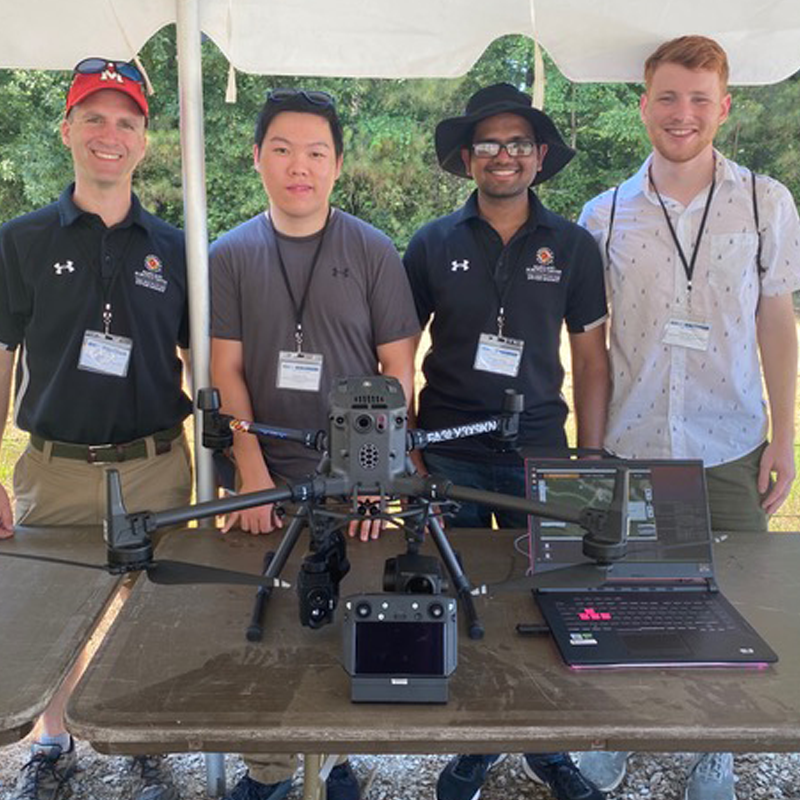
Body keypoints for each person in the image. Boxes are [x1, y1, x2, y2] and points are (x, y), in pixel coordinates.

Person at [578, 35, 800, 800]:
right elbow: (593, 347)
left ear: (725, 107)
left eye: (700, 99)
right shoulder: (603, 214)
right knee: (632, 596)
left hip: (731, 441)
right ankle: (629, 733)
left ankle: (718, 747)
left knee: (733, 598)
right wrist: (591, 451)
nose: (683, 114)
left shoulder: (766, 202)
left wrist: (786, 437)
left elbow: (778, 320)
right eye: (668, 97)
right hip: (634, 443)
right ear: (643, 105)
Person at [209, 88, 419, 800]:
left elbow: (398, 370)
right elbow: (225, 370)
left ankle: (331, 766)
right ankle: (268, 771)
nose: (299, 166)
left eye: (316, 152)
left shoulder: (371, 249)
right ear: (258, 158)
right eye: (283, 149)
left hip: (354, 479)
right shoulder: (229, 253)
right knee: (261, 625)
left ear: (336, 165)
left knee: (338, 621)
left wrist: (375, 476)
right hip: (267, 475)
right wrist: (249, 470)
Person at [404, 83, 610, 800]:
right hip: (449, 447)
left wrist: (588, 456)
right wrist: (409, 445)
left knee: (548, 599)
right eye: (488, 143)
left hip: (541, 451)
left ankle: (547, 746)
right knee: (465, 602)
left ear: (539, 156)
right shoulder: (430, 243)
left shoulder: (573, 246)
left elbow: (590, 357)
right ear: (468, 157)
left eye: (517, 143)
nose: (503, 155)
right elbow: (397, 353)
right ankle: (474, 744)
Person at [0, 59, 192, 800]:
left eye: (127, 122)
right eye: (94, 118)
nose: (109, 135)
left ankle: (141, 738)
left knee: (151, 611)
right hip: (52, 467)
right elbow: (3, 355)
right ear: (67, 131)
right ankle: (53, 745)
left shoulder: (176, 249)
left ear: (145, 142)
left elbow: (198, 360)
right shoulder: (20, 241)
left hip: (154, 465)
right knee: (47, 618)